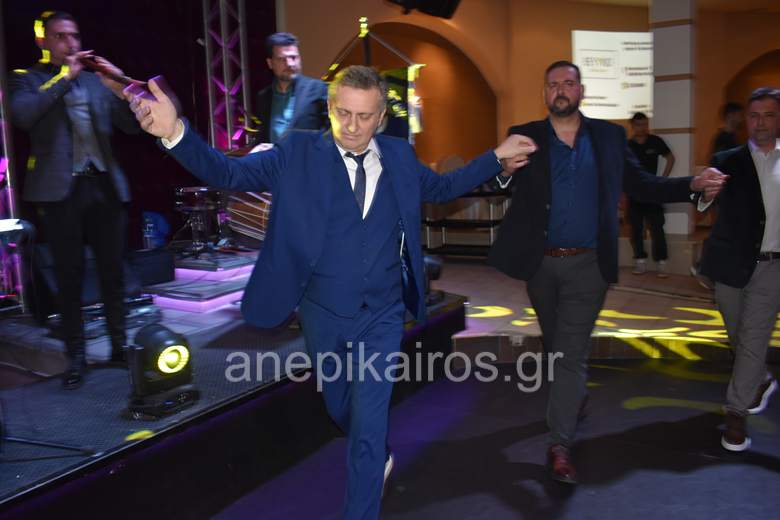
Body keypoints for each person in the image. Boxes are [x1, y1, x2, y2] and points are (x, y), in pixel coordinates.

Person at [125, 65, 535, 519]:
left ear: (381, 118)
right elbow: (228, 172)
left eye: (365, 116)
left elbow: (442, 187)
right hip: (322, 312)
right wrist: (176, 133)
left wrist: (495, 158)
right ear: (330, 109)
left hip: (382, 314)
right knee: (340, 407)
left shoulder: (399, 155)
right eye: (344, 113)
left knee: (369, 423)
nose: (353, 127)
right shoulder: (297, 151)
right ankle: (374, 451)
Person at [487, 60, 726, 484]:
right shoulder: (525, 136)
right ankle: (572, 398)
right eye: (553, 84)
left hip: (589, 266)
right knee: (556, 345)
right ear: (545, 94)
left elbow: (643, 185)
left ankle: (560, 444)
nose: (561, 90)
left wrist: (691, 184)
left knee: (569, 353)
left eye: (568, 83)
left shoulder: (609, 137)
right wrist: (503, 173)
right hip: (540, 264)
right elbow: (498, 184)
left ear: (581, 91)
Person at [9, 11, 139, 389]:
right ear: (44, 42)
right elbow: (23, 115)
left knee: (113, 271)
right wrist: (64, 78)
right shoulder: (26, 79)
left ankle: (119, 347)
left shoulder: (96, 81)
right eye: (61, 36)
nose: (71, 43)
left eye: (75, 36)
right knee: (69, 275)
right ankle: (77, 356)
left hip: (104, 185)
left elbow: (131, 125)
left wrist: (120, 83)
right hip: (59, 191)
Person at [698, 87, 780, 452]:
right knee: (737, 335)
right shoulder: (727, 161)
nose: (760, 123)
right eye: (754, 116)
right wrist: (704, 193)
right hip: (731, 265)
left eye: (769, 115)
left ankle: (736, 412)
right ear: (746, 119)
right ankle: (758, 379)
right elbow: (703, 199)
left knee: (753, 339)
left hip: (773, 267)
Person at [254, 32, 328, 144]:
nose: (290, 64)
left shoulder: (318, 89)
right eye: (282, 59)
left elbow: (331, 134)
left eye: (293, 57)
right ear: (270, 63)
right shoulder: (264, 97)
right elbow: (263, 136)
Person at [627, 112, 676, 277]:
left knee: (657, 227)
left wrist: (663, 179)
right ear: (632, 126)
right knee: (636, 228)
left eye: (644, 124)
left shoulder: (655, 141)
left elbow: (670, 158)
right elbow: (620, 167)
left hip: (653, 190)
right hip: (634, 191)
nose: (642, 128)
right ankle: (640, 260)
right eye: (638, 125)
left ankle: (662, 262)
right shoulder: (627, 145)